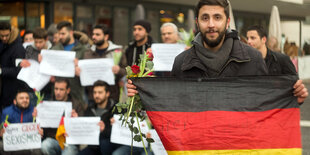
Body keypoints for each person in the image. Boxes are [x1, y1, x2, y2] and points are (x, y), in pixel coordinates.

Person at [127, 0, 308, 104]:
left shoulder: (252, 58)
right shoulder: (181, 62)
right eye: (205, 18)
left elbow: (265, 103)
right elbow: (174, 105)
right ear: (197, 22)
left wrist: (294, 99)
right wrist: (141, 94)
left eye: (217, 17)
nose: (211, 24)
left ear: (227, 22)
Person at [246, 25, 307, 103]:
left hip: (277, 106)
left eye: (252, 38)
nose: (248, 41)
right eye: (247, 38)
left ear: (263, 39)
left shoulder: (282, 59)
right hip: (255, 107)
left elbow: (295, 85)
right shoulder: (246, 61)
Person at [78, 24, 126, 102]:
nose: (93, 37)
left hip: (112, 97)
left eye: (97, 34)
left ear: (106, 37)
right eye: (93, 34)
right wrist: (79, 70)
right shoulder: (87, 52)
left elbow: (126, 71)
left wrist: (119, 70)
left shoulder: (117, 51)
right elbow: (83, 72)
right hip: (92, 97)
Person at [40, 78, 83, 155]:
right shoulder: (48, 104)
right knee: (45, 145)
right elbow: (43, 127)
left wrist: (76, 120)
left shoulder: (76, 105)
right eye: (56, 89)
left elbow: (82, 128)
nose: (58, 92)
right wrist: (38, 118)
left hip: (70, 142)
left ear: (68, 90)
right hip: (54, 140)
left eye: (61, 89)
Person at [51, 21, 88, 106]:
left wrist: (80, 67)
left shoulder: (83, 49)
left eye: (63, 34)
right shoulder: (54, 49)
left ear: (71, 32)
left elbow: (88, 73)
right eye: (59, 34)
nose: (60, 36)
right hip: (58, 95)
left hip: (76, 94)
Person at [78, 80, 118, 155]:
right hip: (94, 146)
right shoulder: (90, 108)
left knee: (104, 143)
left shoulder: (115, 108)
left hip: (109, 145)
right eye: (95, 92)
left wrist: (104, 130)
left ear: (107, 94)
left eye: (100, 92)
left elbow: (119, 132)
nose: (96, 95)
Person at [0, 90, 42, 155]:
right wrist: (1, 132)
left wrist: (41, 132)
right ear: (15, 101)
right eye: (21, 98)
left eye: (27, 98)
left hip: (29, 145)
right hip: (11, 145)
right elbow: (1, 128)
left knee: (38, 148)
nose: (25, 100)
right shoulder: (6, 112)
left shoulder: (35, 111)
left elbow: (41, 128)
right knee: (1, 145)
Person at [0, 22, 25, 109]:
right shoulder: (2, 44)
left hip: (11, 90)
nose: (4, 38)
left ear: (11, 32)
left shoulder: (17, 47)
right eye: (1, 36)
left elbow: (19, 70)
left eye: (6, 35)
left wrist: (1, 71)